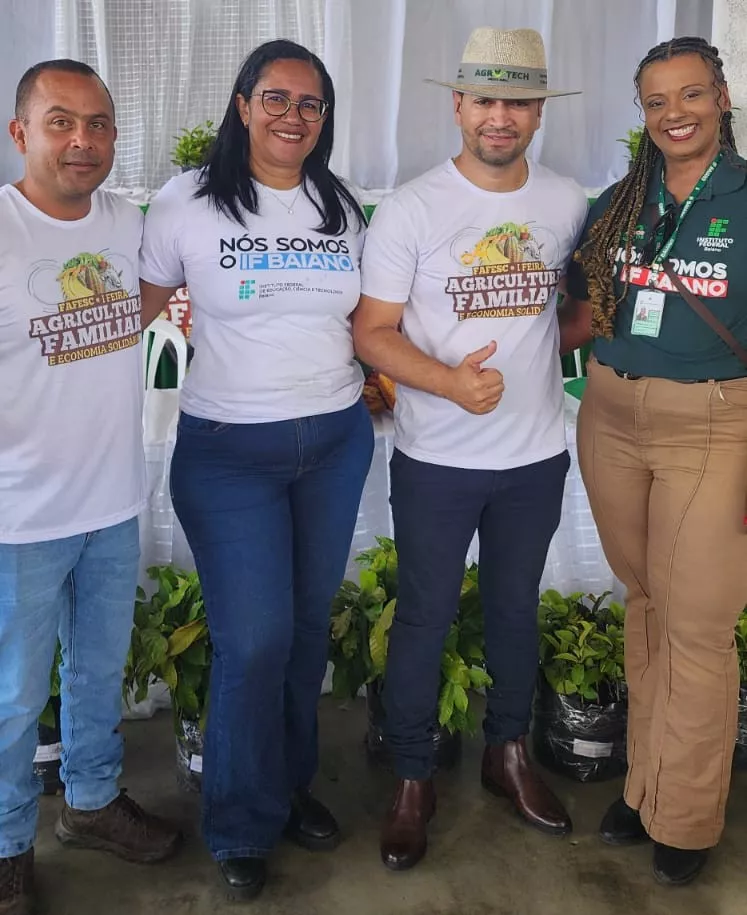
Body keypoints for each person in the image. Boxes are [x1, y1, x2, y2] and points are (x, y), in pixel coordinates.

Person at [139, 39, 374, 900]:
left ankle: (287, 784)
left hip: (335, 440)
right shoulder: (187, 201)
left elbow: (362, 320)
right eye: (275, 98)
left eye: (310, 104)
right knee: (256, 638)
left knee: (306, 630)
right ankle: (239, 821)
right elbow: (134, 309)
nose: (292, 116)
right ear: (242, 106)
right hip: (229, 450)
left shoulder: (336, 203)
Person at [354, 27, 587, 871]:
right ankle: (413, 776)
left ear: (537, 113)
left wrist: (559, 346)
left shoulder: (564, 202)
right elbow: (372, 332)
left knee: (514, 607)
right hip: (438, 458)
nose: (500, 116)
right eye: (485, 99)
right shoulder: (412, 208)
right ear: (457, 105)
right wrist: (449, 383)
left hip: (534, 455)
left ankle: (507, 753)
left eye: (517, 102)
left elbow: (572, 313)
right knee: (424, 615)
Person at [560, 36, 747, 887]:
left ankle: (686, 813)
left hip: (712, 425)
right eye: (656, 100)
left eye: (691, 94)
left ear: (721, 99)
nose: (675, 113)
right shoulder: (618, 202)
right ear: (641, 113)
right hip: (609, 415)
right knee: (644, 602)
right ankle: (646, 786)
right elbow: (580, 308)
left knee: (697, 623)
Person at [0, 59, 181, 915]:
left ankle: (92, 800)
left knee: (98, 672)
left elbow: (125, 311)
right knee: (11, 697)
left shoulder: (123, 222)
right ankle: (7, 844)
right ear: (20, 133)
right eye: (61, 122)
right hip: (18, 515)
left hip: (111, 498)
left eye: (99, 123)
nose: (84, 140)